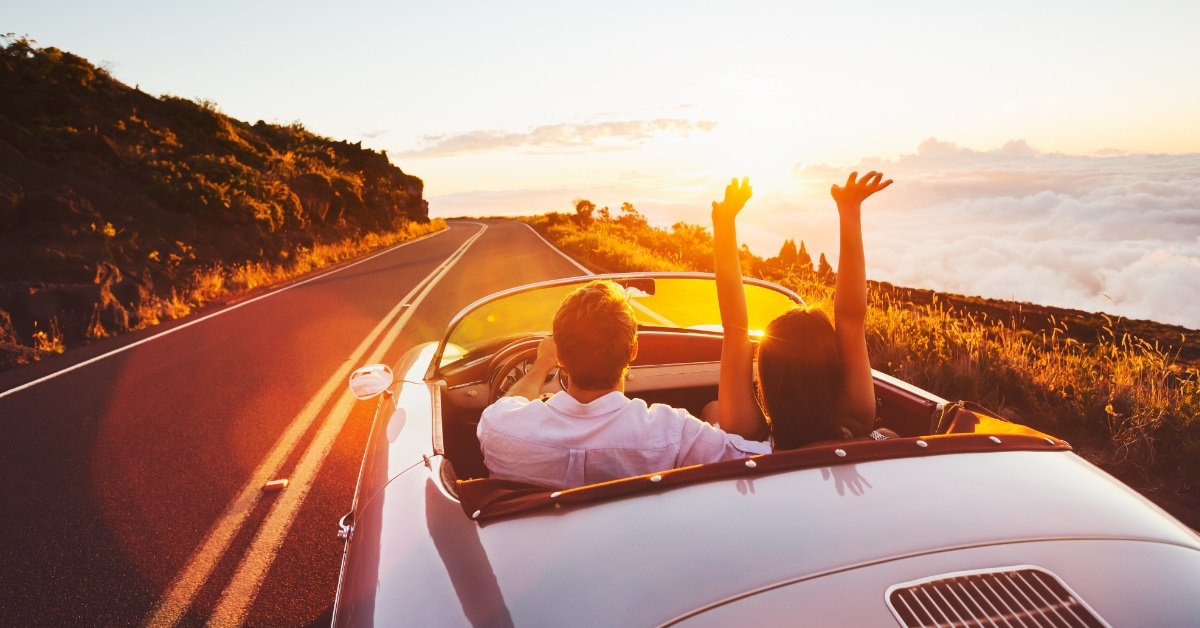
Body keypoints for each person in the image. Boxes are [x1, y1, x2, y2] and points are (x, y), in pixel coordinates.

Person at [477, 280, 770, 489]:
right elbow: (760, 458)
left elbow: (507, 404)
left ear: (561, 356)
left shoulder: (498, 428)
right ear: (633, 351)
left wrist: (541, 366)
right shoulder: (672, 433)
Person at [711, 172, 894, 449]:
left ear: (766, 378)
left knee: (711, 410)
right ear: (835, 369)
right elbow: (851, 318)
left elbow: (735, 329)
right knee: (888, 434)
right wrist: (850, 211)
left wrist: (724, 224)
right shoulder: (856, 419)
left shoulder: (750, 435)